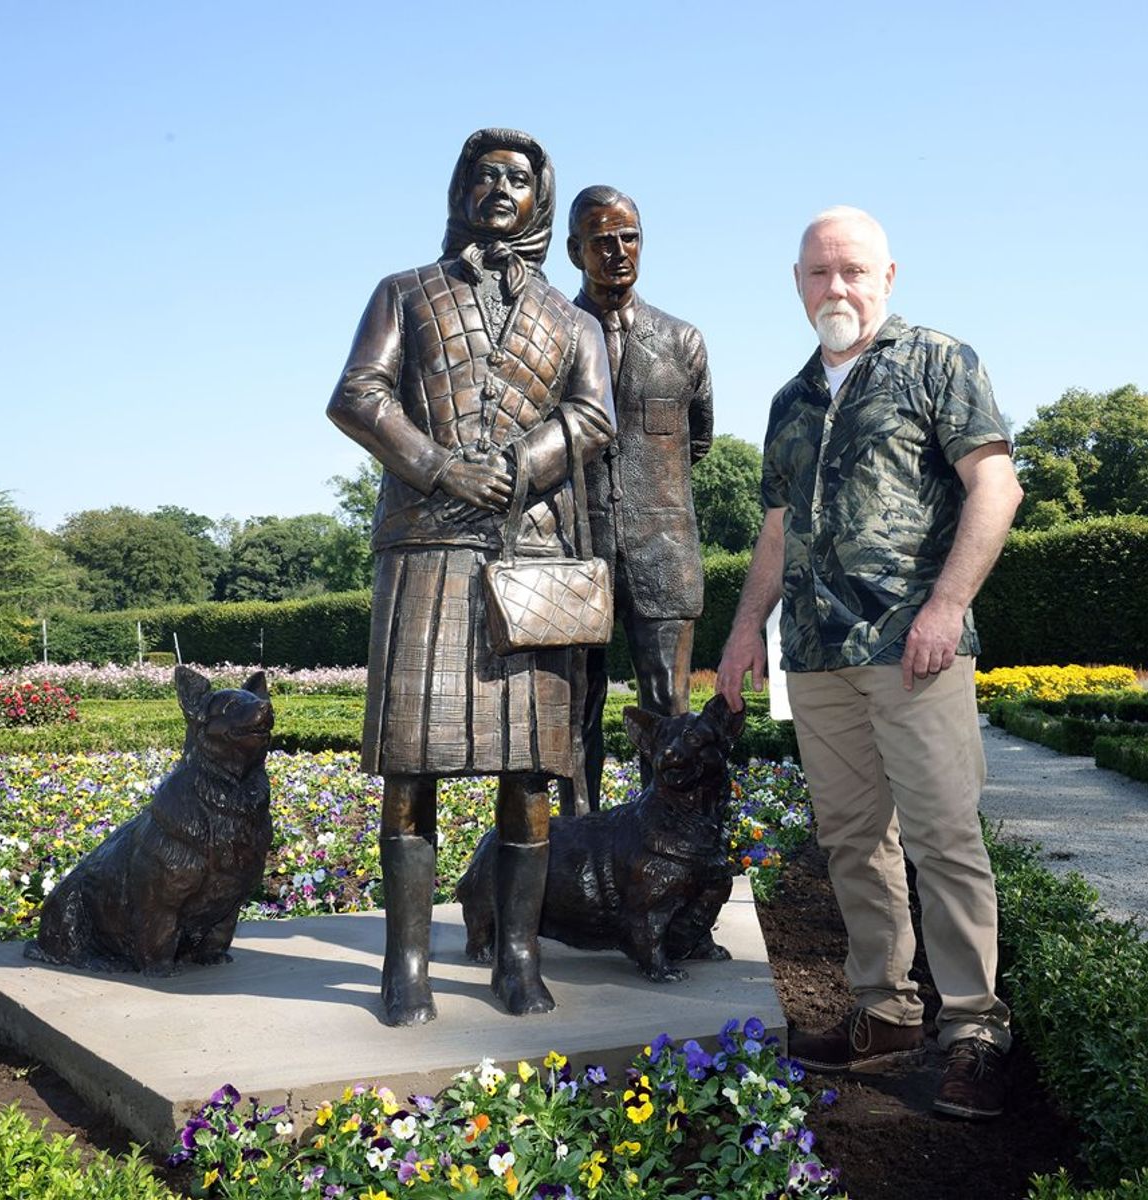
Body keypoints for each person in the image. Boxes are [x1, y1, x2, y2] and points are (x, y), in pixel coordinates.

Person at [716, 206, 1023, 1119]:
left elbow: (994, 487)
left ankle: (972, 1028)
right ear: (797, 283)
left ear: (888, 276)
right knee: (853, 840)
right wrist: (743, 634)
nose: (835, 287)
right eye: (819, 273)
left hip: (914, 648)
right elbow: (776, 530)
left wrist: (947, 607)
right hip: (813, 656)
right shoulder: (789, 398)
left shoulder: (938, 361)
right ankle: (884, 1012)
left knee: (944, 840)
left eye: (853, 270)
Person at [326, 128, 612, 1025]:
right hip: (423, 546)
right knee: (412, 765)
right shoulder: (404, 292)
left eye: (519, 178)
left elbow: (593, 416)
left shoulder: (575, 321)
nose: (500, 187)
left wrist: (524, 463)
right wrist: (442, 467)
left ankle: (517, 959)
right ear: (462, 190)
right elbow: (357, 396)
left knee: (530, 768)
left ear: (540, 197)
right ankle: (404, 966)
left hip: (529, 554)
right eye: (485, 174)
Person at [562, 185, 713, 812]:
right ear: (575, 250)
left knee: (669, 711)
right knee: (570, 717)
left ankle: (667, 844)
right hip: (571, 552)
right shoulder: (553, 336)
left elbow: (697, 441)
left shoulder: (683, 341)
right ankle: (573, 845)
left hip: (664, 550)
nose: (618, 251)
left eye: (629, 237)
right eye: (602, 240)